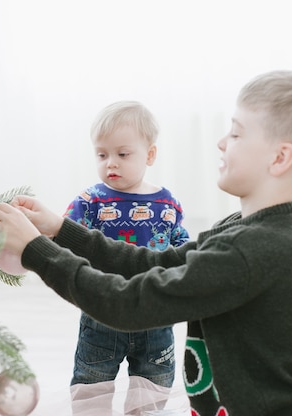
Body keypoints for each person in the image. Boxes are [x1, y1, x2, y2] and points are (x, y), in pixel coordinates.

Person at [0, 70, 292, 415]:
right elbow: (152, 264)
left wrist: (36, 249)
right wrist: (59, 229)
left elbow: (127, 305)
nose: (222, 141)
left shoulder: (255, 249)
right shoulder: (248, 228)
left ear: (280, 157)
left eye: (237, 134)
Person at [63, 101, 190, 413]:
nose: (111, 164)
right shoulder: (90, 201)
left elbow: (181, 249)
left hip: (154, 314)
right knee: (91, 385)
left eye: (122, 154)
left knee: (153, 385)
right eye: (102, 154)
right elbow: (63, 237)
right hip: (101, 312)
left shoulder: (166, 203)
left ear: (149, 155)